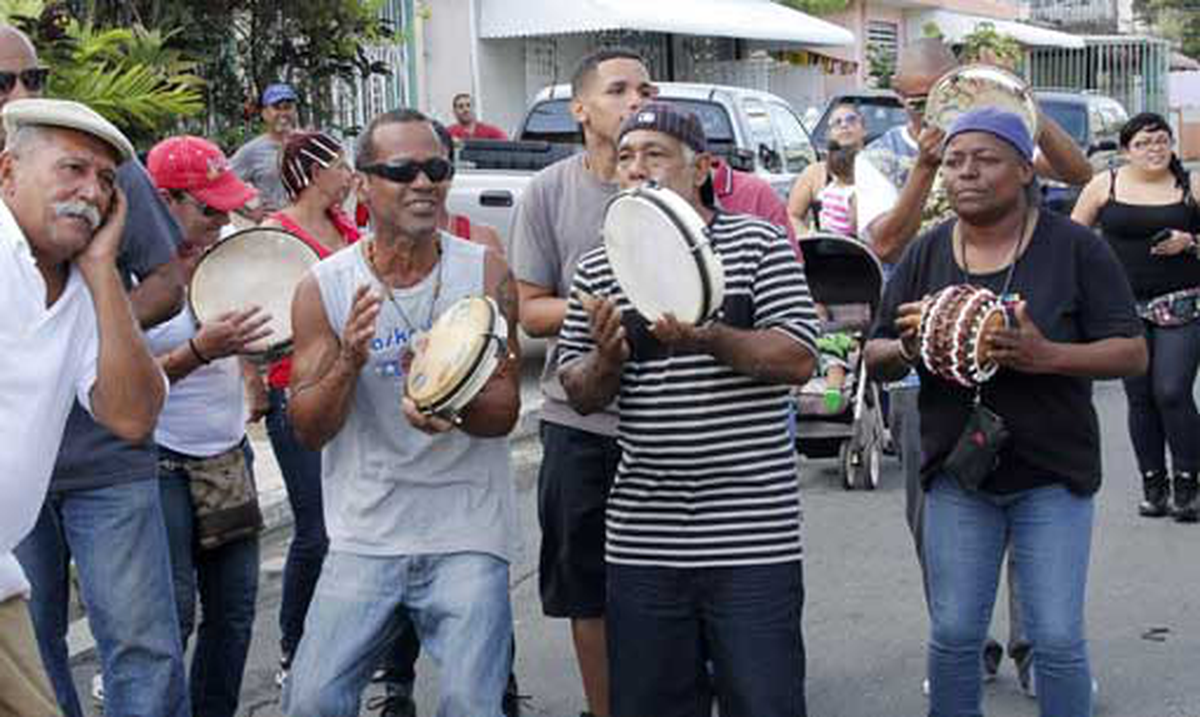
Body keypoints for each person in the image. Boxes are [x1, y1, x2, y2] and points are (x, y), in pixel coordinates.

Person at [865, 107, 1146, 717]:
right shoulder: (928, 251)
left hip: (1051, 471)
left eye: (986, 159)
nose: (965, 172)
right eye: (955, 160)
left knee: (1056, 638)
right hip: (957, 473)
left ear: (1025, 170)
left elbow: (1131, 353)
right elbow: (876, 351)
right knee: (955, 634)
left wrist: (1045, 356)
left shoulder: (1074, 248)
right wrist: (911, 345)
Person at [558, 101, 820, 717]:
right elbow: (579, 390)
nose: (638, 169)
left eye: (655, 154)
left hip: (752, 534)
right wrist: (607, 359)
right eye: (625, 157)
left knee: (764, 703)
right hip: (644, 537)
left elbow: (798, 357)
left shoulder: (756, 243)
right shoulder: (601, 262)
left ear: (700, 167)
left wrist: (708, 337)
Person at [853, 38, 1094, 691]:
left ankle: (1033, 646)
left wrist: (1023, 106)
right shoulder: (884, 157)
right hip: (923, 359)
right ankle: (967, 646)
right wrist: (927, 168)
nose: (921, 105)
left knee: (1034, 503)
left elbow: (1077, 175)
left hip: (1024, 345)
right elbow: (885, 242)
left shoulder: (1005, 141)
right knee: (942, 510)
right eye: (908, 95)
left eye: (936, 91)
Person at [282, 108, 521, 717]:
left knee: (473, 702)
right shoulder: (324, 286)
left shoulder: (484, 271)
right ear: (362, 183)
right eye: (401, 170)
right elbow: (308, 430)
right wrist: (348, 360)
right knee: (310, 701)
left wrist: (452, 406)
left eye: (436, 168)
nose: (423, 183)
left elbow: (504, 409)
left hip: (467, 526)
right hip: (366, 532)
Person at [6, 27, 191, 717]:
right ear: (7, 172)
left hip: (102, 464)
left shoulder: (89, 155)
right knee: (40, 646)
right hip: (19, 509)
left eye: (34, 79)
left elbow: (167, 281)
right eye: (2, 85)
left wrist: (99, 286)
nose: (21, 95)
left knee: (141, 643)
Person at [510, 46, 656, 717]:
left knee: (669, 584)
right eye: (620, 89)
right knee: (585, 586)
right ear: (580, 109)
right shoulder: (550, 191)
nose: (637, 100)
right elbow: (529, 306)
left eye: (646, 88)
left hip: (667, 423)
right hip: (580, 421)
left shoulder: (680, 192)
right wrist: (603, 308)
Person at [145, 135, 269, 717]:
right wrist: (198, 350)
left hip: (227, 455)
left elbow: (253, 325)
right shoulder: (131, 270)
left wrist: (254, 371)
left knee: (236, 609)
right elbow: (117, 381)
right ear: (165, 202)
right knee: (173, 613)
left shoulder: (228, 255)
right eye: (208, 209)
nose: (222, 221)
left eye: (227, 208)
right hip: (158, 462)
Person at [248, 130, 361, 687]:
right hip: (295, 389)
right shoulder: (276, 234)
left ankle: (342, 644)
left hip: (349, 388)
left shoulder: (347, 227)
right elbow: (258, 319)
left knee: (349, 526)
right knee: (315, 528)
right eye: (340, 165)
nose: (349, 174)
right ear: (313, 173)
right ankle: (294, 646)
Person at [1071, 112, 1200, 523]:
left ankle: (1188, 484)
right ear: (1127, 150)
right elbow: (1072, 241)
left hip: (1182, 303)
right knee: (1140, 397)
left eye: (1161, 141)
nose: (1154, 150)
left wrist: (1191, 241)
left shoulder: (1190, 185)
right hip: (1122, 309)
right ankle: (1154, 485)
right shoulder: (1104, 185)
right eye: (1144, 143)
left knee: (1172, 391)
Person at [788, 101, 867, 234]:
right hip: (827, 250)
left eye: (851, 120)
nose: (844, 125)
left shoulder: (880, 168)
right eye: (837, 122)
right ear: (829, 134)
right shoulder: (814, 173)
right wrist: (811, 239)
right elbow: (792, 216)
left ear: (864, 130)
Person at [231, 82, 299, 212]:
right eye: (277, 108)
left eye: (288, 107)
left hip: (309, 225)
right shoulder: (251, 151)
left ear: (295, 111)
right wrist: (250, 212)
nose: (283, 113)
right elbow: (224, 185)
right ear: (264, 113)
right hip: (275, 227)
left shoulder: (310, 143)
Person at [816, 140, 858, 238]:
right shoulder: (851, 193)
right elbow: (854, 224)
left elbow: (822, 212)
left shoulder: (828, 189)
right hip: (846, 241)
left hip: (827, 237)